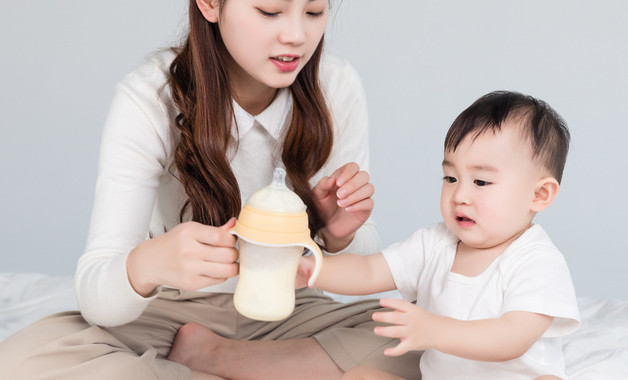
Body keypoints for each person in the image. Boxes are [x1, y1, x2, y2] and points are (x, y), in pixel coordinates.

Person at [0, 0, 420, 379]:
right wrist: (147, 264)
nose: (297, 35)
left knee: (425, 339)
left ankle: (219, 361)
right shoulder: (152, 96)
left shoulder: (336, 86)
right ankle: (279, 371)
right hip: (166, 312)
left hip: (287, 311)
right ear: (210, 4)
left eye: (313, 12)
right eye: (269, 11)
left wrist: (336, 233)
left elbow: (358, 264)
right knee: (19, 363)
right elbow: (97, 292)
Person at [297, 91, 581, 380]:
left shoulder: (536, 260)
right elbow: (369, 271)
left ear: (539, 194)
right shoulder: (436, 243)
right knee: (358, 376)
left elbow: (512, 337)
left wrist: (435, 330)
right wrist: (312, 268)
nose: (460, 195)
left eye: (481, 181)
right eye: (451, 178)